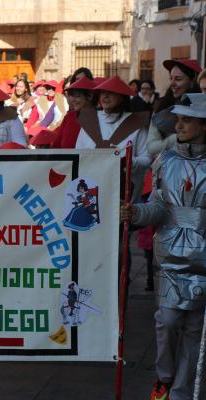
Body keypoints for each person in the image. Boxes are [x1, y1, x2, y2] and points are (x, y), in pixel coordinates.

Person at [121, 93, 206, 400]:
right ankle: (164, 376)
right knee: (167, 321)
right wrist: (137, 213)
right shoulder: (165, 160)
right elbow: (158, 206)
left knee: (195, 329)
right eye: (178, 119)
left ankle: (182, 392)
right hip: (169, 256)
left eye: (187, 120)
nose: (179, 125)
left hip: (203, 260)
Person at [75, 76, 151, 202]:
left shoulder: (136, 123)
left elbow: (147, 158)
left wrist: (129, 161)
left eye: (110, 93)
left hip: (125, 195)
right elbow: (78, 154)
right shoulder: (90, 120)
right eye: (102, 93)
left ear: (121, 96)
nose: (105, 96)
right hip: (92, 191)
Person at [147, 59, 201, 157]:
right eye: (171, 78)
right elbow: (151, 147)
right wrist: (178, 137)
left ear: (193, 81)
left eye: (178, 79)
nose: (172, 84)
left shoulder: (202, 108)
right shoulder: (161, 106)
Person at [52, 77, 97, 149]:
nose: (72, 100)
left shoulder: (102, 119)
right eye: (71, 96)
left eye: (77, 96)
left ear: (90, 96)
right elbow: (56, 146)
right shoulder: (69, 117)